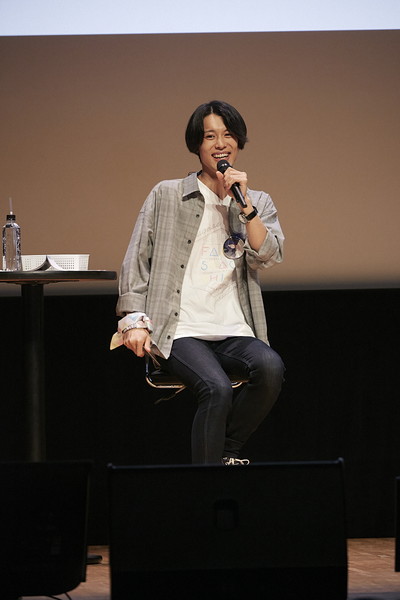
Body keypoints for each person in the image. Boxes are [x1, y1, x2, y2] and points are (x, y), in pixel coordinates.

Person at [113, 100, 285, 465]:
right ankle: (205, 485)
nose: (221, 143)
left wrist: (246, 206)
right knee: (216, 388)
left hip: (233, 328)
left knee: (270, 369)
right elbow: (137, 257)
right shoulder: (167, 194)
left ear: (239, 142)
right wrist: (133, 319)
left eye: (228, 135)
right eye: (210, 136)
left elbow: (269, 255)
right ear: (197, 144)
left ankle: (226, 454)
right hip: (180, 329)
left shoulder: (256, 201)